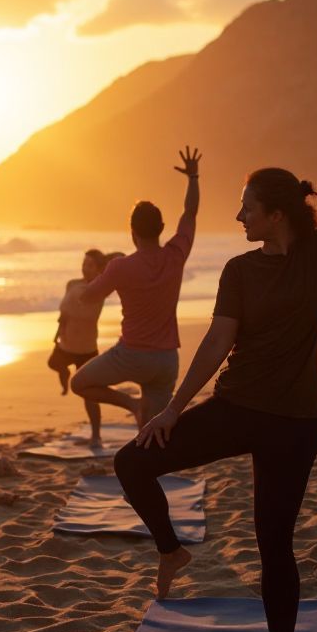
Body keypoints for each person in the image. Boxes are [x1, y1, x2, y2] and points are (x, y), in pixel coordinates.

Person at [114, 61, 317, 632]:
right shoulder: (239, 270)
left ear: (275, 213)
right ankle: (171, 550)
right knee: (132, 463)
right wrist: (174, 408)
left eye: (246, 208)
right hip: (236, 409)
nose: (239, 218)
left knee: (274, 543)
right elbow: (216, 343)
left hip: (294, 425)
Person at [71, 148, 201, 426]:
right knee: (152, 431)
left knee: (79, 382)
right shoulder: (176, 255)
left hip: (131, 356)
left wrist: (104, 270)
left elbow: (87, 297)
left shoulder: (120, 267)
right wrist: (193, 177)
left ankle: (130, 403)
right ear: (162, 227)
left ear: (132, 232)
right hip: (167, 360)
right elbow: (190, 213)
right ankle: (149, 463)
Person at [49, 249, 110, 445]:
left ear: (99, 269)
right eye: (84, 264)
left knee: (89, 394)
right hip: (66, 343)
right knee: (54, 363)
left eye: (90, 265)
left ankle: (96, 434)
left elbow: (118, 257)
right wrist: (58, 332)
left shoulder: (101, 288)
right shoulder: (72, 284)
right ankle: (65, 375)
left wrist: (105, 262)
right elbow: (64, 313)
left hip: (87, 349)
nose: (85, 268)